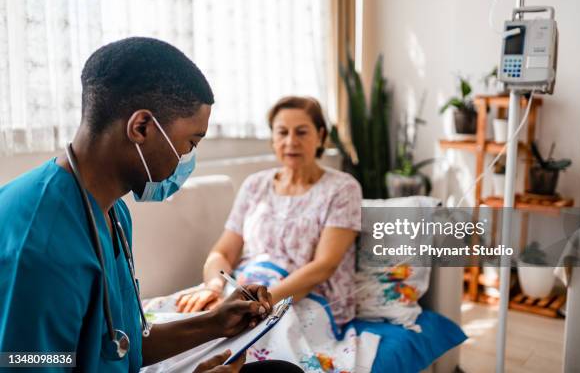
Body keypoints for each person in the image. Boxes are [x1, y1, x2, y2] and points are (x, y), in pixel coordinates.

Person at [0, 37, 302, 373]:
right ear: (141, 127)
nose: (187, 160)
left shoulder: (111, 210)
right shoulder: (40, 248)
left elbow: (119, 344)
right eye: (190, 142)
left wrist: (214, 322)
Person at [176, 96, 362, 328]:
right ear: (273, 139)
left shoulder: (343, 188)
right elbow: (223, 252)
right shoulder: (255, 185)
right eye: (282, 132)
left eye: (302, 132)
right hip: (246, 291)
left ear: (321, 136)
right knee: (179, 320)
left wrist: (259, 303)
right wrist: (213, 286)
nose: (291, 141)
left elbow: (324, 266)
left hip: (306, 299)